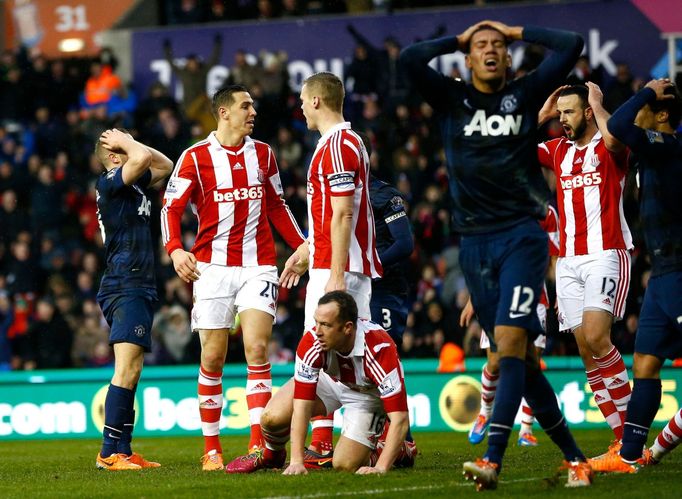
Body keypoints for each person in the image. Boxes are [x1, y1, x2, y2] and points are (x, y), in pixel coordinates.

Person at [400, 20, 591, 489]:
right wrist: (456, 39)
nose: (489, 50)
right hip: (473, 245)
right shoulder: (451, 99)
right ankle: (575, 460)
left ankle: (491, 460)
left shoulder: (525, 96)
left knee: (506, 345)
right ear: (467, 59)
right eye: (480, 46)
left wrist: (516, 29)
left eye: (497, 47)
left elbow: (572, 43)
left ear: (508, 58)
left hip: (522, 238)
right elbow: (407, 60)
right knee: (520, 363)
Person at [161, 85, 305, 471]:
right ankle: (212, 448)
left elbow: (276, 205)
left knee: (257, 350)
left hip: (258, 264)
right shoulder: (194, 157)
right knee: (213, 356)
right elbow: (170, 207)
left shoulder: (263, 154)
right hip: (211, 268)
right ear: (223, 113)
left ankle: (260, 446)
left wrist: (302, 245)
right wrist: (175, 249)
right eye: (245, 105)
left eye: (254, 105)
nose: (253, 111)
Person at [279, 72, 382, 466]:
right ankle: (327, 441)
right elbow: (330, 217)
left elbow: (343, 213)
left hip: (341, 270)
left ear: (317, 101)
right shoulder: (334, 144)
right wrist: (306, 251)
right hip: (327, 263)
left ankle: (388, 431)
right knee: (325, 354)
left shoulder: (339, 144)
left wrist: (336, 275)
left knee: (348, 352)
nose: (301, 108)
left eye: (304, 101)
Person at [590, 79, 682, 473]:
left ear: (662, 116)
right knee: (644, 363)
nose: (642, 108)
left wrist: (645, 91)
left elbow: (621, 127)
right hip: (661, 274)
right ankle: (630, 455)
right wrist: (595, 103)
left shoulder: (670, 147)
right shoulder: (651, 149)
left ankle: (656, 447)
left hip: (680, 270)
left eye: (649, 106)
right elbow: (615, 130)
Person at [537, 83, 633, 453]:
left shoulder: (611, 148)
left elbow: (615, 136)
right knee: (584, 348)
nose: (562, 119)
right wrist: (541, 116)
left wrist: (597, 101)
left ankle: (631, 439)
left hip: (606, 253)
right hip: (569, 261)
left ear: (588, 113)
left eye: (569, 112)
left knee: (597, 338)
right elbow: (508, 147)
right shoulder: (557, 150)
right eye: (559, 113)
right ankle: (619, 439)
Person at [224, 291, 411, 474]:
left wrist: (381, 468)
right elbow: (301, 406)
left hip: (367, 396)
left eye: (326, 325)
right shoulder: (312, 342)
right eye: (316, 322)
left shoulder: (379, 350)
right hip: (331, 381)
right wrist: (297, 461)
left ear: (347, 328)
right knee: (272, 417)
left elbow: (400, 419)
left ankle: (399, 450)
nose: (317, 331)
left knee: (344, 464)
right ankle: (272, 455)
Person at [94, 128, 173, 470]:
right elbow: (141, 158)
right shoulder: (110, 181)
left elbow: (166, 164)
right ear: (114, 157)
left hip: (138, 285)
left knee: (135, 369)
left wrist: (128, 141)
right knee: (125, 369)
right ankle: (109, 452)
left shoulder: (136, 184)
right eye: (123, 147)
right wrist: (127, 144)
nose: (133, 148)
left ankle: (124, 449)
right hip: (124, 284)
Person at [464, 206, 560, 448]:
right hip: (498, 296)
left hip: (536, 297)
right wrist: (473, 299)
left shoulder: (546, 213)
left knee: (531, 364)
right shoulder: (492, 207)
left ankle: (526, 429)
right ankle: (485, 412)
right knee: (496, 362)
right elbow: (482, 261)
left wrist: (561, 292)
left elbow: (555, 257)